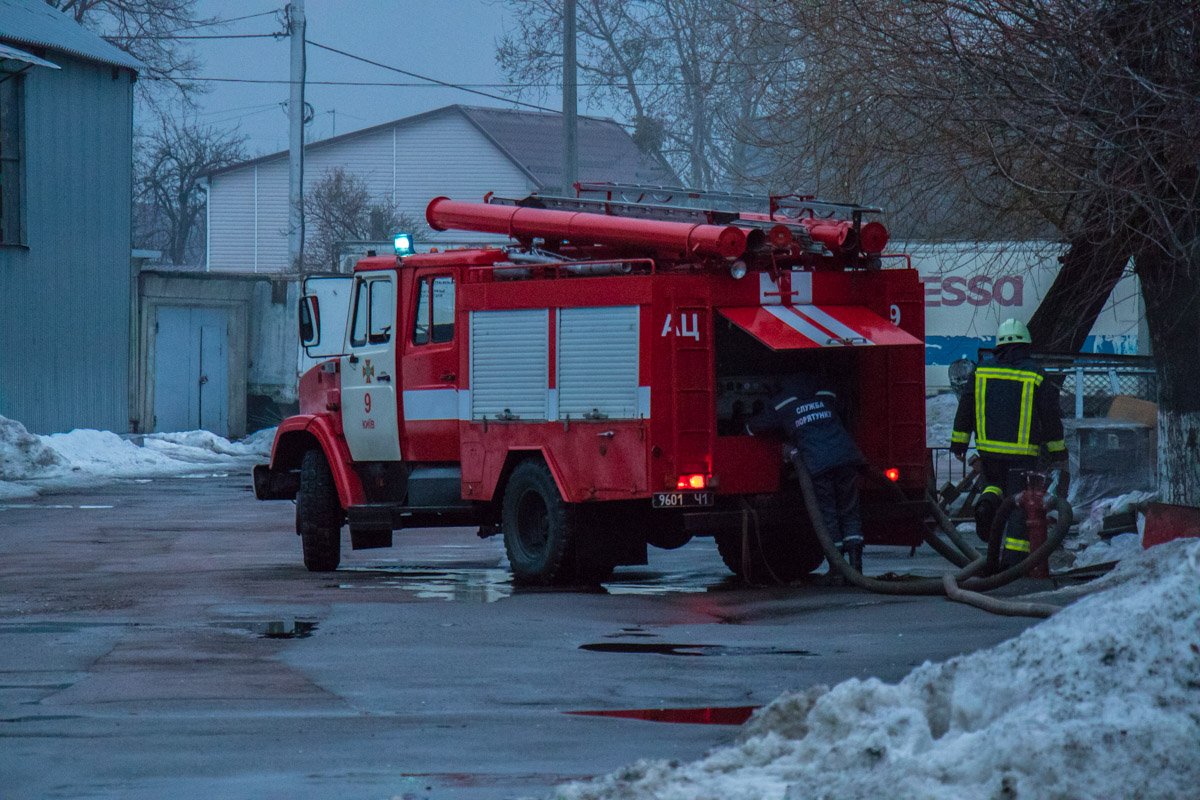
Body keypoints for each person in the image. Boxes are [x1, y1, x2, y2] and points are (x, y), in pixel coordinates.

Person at [949, 318, 1068, 559]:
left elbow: (966, 408)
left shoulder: (981, 371)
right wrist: (1058, 452)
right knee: (1018, 505)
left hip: (989, 453)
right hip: (1022, 456)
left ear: (999, 345)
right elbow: (1050, 416)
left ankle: (986, 504)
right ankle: (1013, 560)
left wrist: (959, 443)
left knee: (993, 487)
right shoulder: (1036, 375)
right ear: (1026, 344)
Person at [747, 376, 867, 575]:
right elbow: (845, 408)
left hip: (820, 464)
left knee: (828, 514)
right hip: (846, 458)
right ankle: (856, 567)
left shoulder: (781, 404)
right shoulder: (824, 394)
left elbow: (753, 428)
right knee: (849, 511)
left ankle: (837, 571)